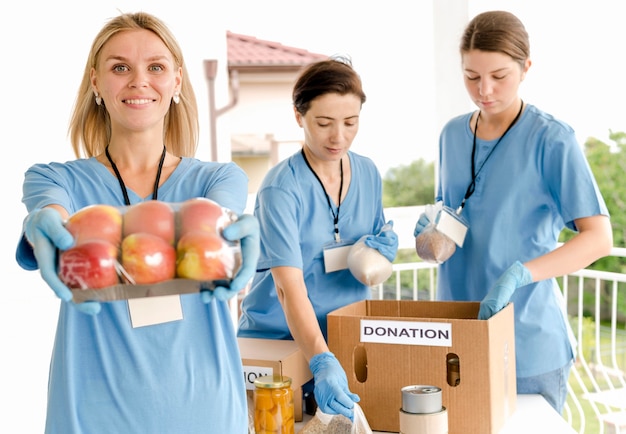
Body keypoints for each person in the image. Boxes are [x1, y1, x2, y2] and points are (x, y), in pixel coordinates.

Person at [15, 12, 260, 434]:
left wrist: (233, 230)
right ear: (96, 82)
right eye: (120, 67)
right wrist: (45, 224)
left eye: (156, 67)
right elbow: (50, 208)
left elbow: (220, 219)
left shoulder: (218, 179)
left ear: (177, 82)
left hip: (205, 412)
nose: (139, 80)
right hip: (90, 415)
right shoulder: (55, 178)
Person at [413, 10, 613, 415]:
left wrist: (522, 273)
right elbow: (454, 217)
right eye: (471, 76)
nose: (484, 90)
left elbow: (598, 237)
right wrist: (431, 237)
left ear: (526, 69)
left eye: (499, 76)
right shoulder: (452, 135)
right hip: (456, 339)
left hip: (527, 345)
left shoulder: (553, 139)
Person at [237, 57, 398, 420]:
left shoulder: (368, 173)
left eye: (350, 122)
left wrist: (383, 253)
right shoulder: (282, 188)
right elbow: (287, 288)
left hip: (344, 342)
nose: (338, 136)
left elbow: (367, 258)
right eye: (323, 123)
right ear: (299, 116)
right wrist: (320, 359)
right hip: (282, 347)